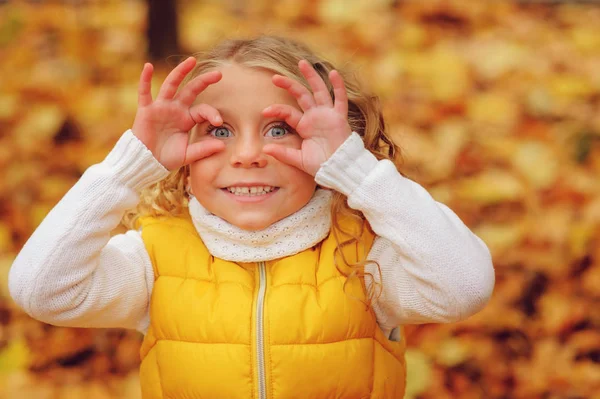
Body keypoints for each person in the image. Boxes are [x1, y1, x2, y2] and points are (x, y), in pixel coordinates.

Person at [9, 36, 495, 398]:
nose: (247, 154)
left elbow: (464, 286)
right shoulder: (156, 257)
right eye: (218, 130)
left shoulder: (361, 256)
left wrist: (358, 172)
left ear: (328, 146)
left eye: (279, 128)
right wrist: (128, 166)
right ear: (182, 155)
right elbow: (41, 290)